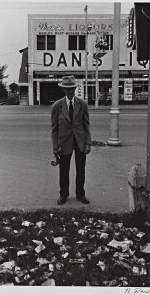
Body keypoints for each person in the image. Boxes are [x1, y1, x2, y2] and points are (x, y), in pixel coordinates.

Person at [51, 76, 92, 205]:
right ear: (63, 90)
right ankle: (63, 194)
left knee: (81, 169)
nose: (69, 92)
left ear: (75, 88)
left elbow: (86, 125)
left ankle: (80, 194)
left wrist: (88, 143)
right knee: (64, 170)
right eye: (67, 89)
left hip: (80, 141)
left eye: (71, 89)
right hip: (64, 142)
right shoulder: (57, 106)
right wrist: (55, 146)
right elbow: (54, 129)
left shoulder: (82, 104)